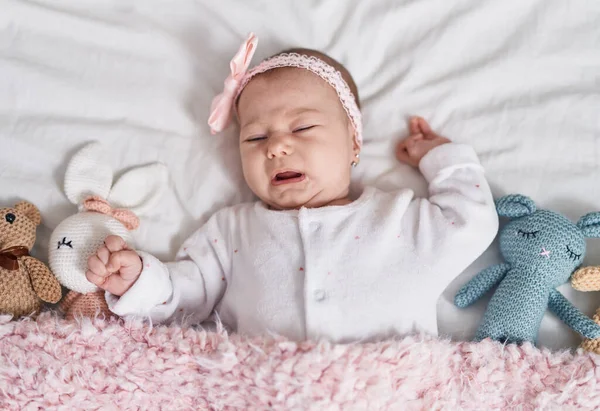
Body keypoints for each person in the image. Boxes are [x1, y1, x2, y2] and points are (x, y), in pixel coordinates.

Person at [85, 33, 498, 342]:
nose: (278, 146)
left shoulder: (400, 219)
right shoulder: (231, 232)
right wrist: (139, 279)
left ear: (354, 142)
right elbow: (185, 298)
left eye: (302, 127)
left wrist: (442, 157)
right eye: (256, 138)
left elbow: (471, 221)